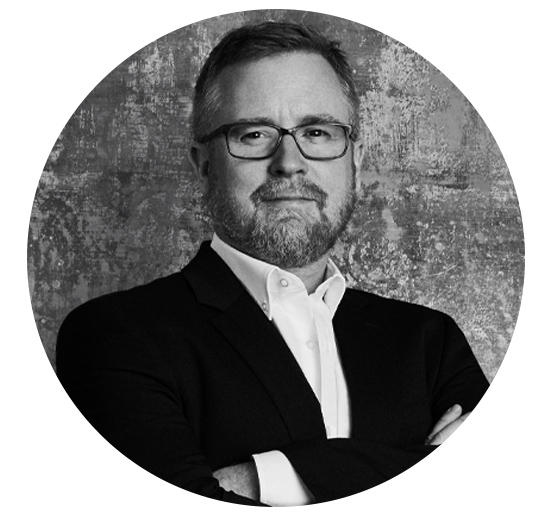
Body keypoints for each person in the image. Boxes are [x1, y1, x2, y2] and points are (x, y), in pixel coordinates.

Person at [56, 21, 489, 506]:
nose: (289, 162)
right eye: (254, 133)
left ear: (355, 160)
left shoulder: (430, 342)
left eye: (317, 132)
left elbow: (499, 488)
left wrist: (266, 477)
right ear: (203, 163)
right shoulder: (115, 335)